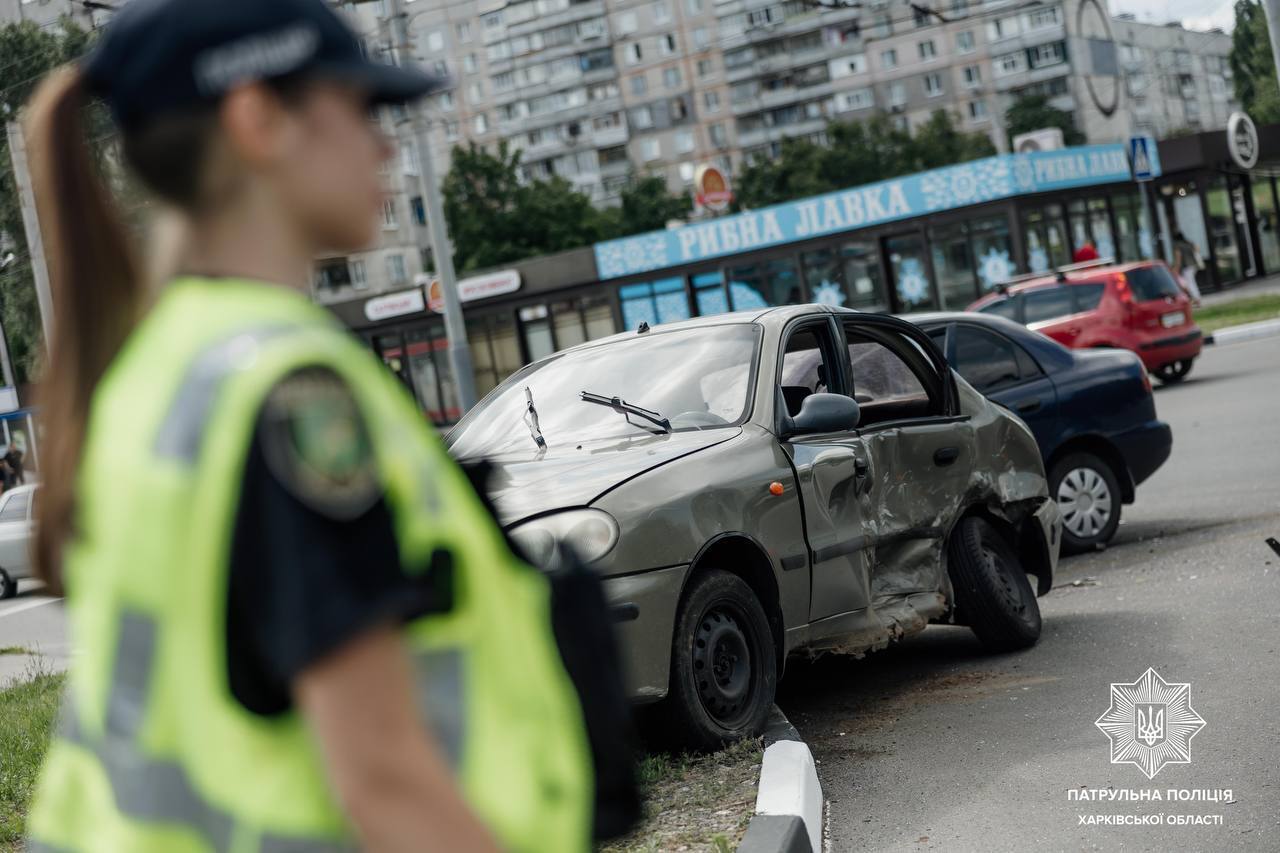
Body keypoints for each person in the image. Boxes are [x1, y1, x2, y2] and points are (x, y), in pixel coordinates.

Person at [25, 1, 627, 851]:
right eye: (360, 106)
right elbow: (384, 781)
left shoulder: (153, 371)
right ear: (259, 120)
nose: (386, 144)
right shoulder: (287, 394)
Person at [1172, 230, 1204, 304]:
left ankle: (1197, 298)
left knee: (1190, 283)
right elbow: (1197, 249)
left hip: (1186, 266)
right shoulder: (1188, 242)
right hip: (1194, 265)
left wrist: (1176, 268)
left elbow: (1178, 258)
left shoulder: (1177, 245)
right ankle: (1195, 298)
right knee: (1191, 282)